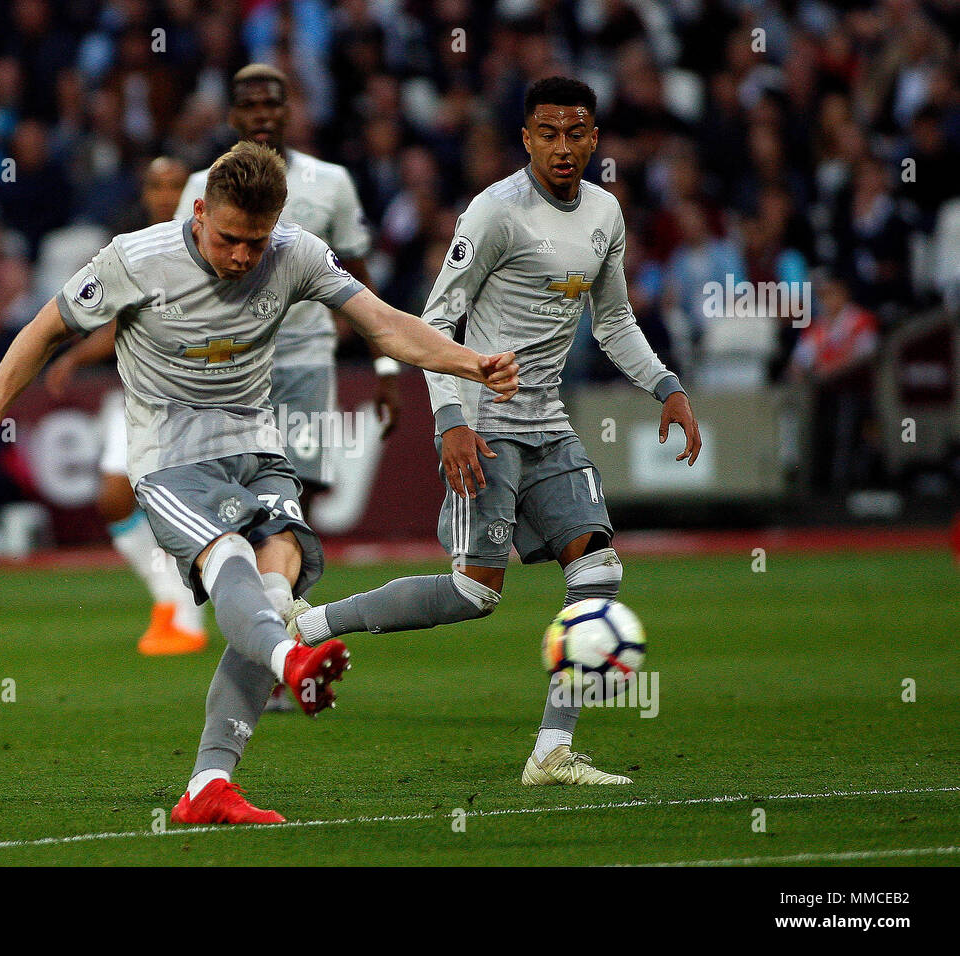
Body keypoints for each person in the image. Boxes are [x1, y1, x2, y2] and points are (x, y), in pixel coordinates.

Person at [0, 142, 518, 824]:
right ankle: (290, 661)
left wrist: (470, 363)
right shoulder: (136, 259)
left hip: (255, 446)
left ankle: (209, 783)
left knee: (275, 583)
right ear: (200, 211)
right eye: (230, 239)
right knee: (234, 565)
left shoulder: (296, 253)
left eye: (256, 241)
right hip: (171, 455)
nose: (243, 257)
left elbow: (384, 325)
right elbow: (41, 332)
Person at [289, 77, 703, 787]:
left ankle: (551, 751)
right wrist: (450, 420)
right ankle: (311, 625)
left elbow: (613, 321)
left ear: (594, 138)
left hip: (547, 420)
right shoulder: (494, 214)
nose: (563, 146)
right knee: (476, 593)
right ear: (527, 138)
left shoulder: (605, 213)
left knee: (598, 568)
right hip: (483, 423)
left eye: (576, 132)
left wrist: (666, 385)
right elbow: (435, 324)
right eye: (548, 132)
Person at [175, 62, 400, 709]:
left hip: (303, 364)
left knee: (283, 515)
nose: (263, 114)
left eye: (274, 102)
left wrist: (385, 368)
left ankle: (275, 660)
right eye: (249, 104)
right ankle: (280, 655)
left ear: (288, 109)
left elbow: (356, 276)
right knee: (242, 520)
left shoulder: (330, 183)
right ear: (233, 115)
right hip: (228, 370)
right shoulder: (201, 184)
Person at [45, 157, 208, 656]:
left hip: (198, 394)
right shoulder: (133, 246)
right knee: (115, 497)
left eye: (174, 185)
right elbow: (120, 322)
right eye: (155, 185)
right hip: (140, 390)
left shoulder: (214, 243)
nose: (164, 194)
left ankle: (207, 613)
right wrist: (75, 356)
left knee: (196, 505)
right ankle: (174, 599)